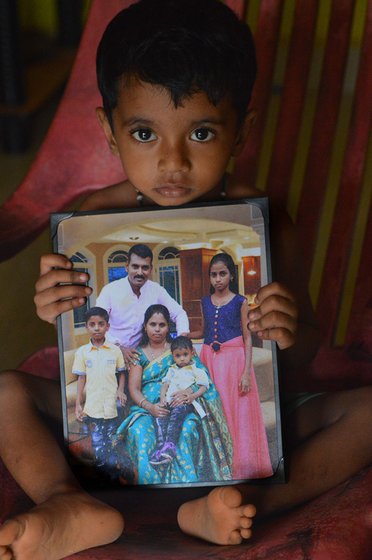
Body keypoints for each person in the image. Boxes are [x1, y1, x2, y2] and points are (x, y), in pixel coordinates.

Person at [0, 0, 371, 557]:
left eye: (200, 133)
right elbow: (77, 340)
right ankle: (65, 500)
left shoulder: (265, 221)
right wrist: (53, 305)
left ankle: (242, 504)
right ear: (109, 129)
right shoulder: (86, 224)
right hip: (115, 406)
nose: (173, 163)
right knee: (4, 392)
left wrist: (287, 329)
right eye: (145, 133)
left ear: (240, 131)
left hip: (243, 413)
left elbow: (303, 354)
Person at [114, 305, 232, 484]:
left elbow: (203, 377)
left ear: (168, 327)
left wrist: (189, 393)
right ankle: (152, 490)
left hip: (181, 405)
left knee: (186, 431)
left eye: (162, 324)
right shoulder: (138, 354)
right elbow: (134, 389)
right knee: (140, 432)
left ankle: (186, 486)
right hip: (148, 409)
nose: (157, 329)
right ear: (145, 326)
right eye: (152, 324)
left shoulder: (179, 349)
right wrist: (150, 407)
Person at [189, 253, 273, 480]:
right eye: (214, 275)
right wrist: (185, 335)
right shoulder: (204, 302)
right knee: (215, 410)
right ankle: (218, 464)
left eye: (222, 274)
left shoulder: (240, 302)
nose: (218, 279)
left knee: (237, 413)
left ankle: (241, 466)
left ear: (231, 275)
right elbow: (203, 332)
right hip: (210, 361)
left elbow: (247, 337)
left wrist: (246, 373)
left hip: (234, 363)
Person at [95, 244, 190, 365]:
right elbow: (97, 323)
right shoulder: (110, 291)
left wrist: (182, 338)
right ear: (126, 267)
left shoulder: (156, 290)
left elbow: (179, 313)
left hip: (138, 359)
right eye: (135, 266)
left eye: (145, 268)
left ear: (150, 269)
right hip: (109, 354)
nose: (140, 272)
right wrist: (118, 347)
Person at [72, 307, 127, 477]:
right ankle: (104, 472)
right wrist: (78, 404)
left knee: (112, 440)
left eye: (101, 324)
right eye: (92, 324)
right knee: (97, 442)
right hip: (93, 407)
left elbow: (122, 373)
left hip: (112, 406)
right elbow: (81, 379)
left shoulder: (115, 350)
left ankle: (115, 470)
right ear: (87, 327)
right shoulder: (82, 352)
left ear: (107, 327)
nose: (97, 328)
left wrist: (120, 391)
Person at [149, 335, 210, 466]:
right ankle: (161, 447)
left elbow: (204, 387)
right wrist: (162, 398)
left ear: (192, 353)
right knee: (160, 416)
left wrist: (192, 396)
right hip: (170, 402)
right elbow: (164, 385)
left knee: (177, 414)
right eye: (178, 356)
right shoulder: (172, 370)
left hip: (185, 403)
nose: (182, 358)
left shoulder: (196, 370)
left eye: (185, 354)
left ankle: (170, 446)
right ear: (173, 356)